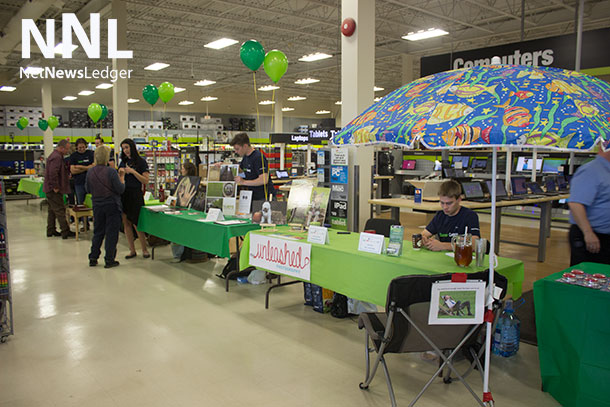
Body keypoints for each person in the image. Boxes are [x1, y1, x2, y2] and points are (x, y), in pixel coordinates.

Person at [568, 149, 610, 266]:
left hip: (605, 236)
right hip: (592, 236)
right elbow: (576, 204)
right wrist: (588, 233)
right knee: (587, 276)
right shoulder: (591, 171)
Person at [86, 146, 125, 268]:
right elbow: (120, 189)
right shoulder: (111, 172)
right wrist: (122, 178)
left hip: (97, 205)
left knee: (98, 232)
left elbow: (87, 189)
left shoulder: (90, 171)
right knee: (111, 233)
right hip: (112, 205)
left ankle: (93, 256)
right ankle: (109, 259)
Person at [422, 179, 480, 251]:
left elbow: (475, 244)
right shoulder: (440, 215)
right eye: (442, 203)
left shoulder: (470, 216)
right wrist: (423, 239)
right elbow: (424, 234)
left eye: (449, 203)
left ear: (459, 200)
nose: (445, 207)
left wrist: (443, 246)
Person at [118, 138, 151, 259]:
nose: (125, 150)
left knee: (138, 223)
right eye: (123, 148)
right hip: (124, 194)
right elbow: (119, 180)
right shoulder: (123, 162)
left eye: (127, 147)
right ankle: (132, 250)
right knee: (126, 222)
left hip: (136, 194)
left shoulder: (141, 162)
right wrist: (121, 174)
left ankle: (144, 249)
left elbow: (145, 180)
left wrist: (133, 172)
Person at [43, 139, 75, 239]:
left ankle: (51, 230)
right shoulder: (56, 157)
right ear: (61, 148)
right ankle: (65, 231)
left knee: (52, 210)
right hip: (54, 189)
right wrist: (56, 186)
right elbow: (53, 173)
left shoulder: (55, 156)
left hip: (50, 188)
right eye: (67, 149)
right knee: (60, 210)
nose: (68, 151)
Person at [230, 133, 274, 201]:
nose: (236, 151)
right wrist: (224, 165)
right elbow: (241, 170)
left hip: (264, 197)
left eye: (237, 149)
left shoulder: (258, 157)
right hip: (253, 196)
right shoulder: (245, 157)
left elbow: (264, 180)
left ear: (245, 146)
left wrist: (243, 182)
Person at [171, 163, 198, 262]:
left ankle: (178, 254)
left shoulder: (190, 183)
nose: (181, 170)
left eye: (182, 169)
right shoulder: (184, 181)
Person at [69, 138, 95, 205]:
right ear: (76, 147)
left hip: (91, 182)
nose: (82, 149)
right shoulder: (73, 156)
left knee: (91, 202)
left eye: (83, 147)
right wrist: (87, 167)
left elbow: (93, 167)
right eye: (80, 147)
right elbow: (73, 171)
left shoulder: (91, 153)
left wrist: (80, 167)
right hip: (79, 183)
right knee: (80, 202)